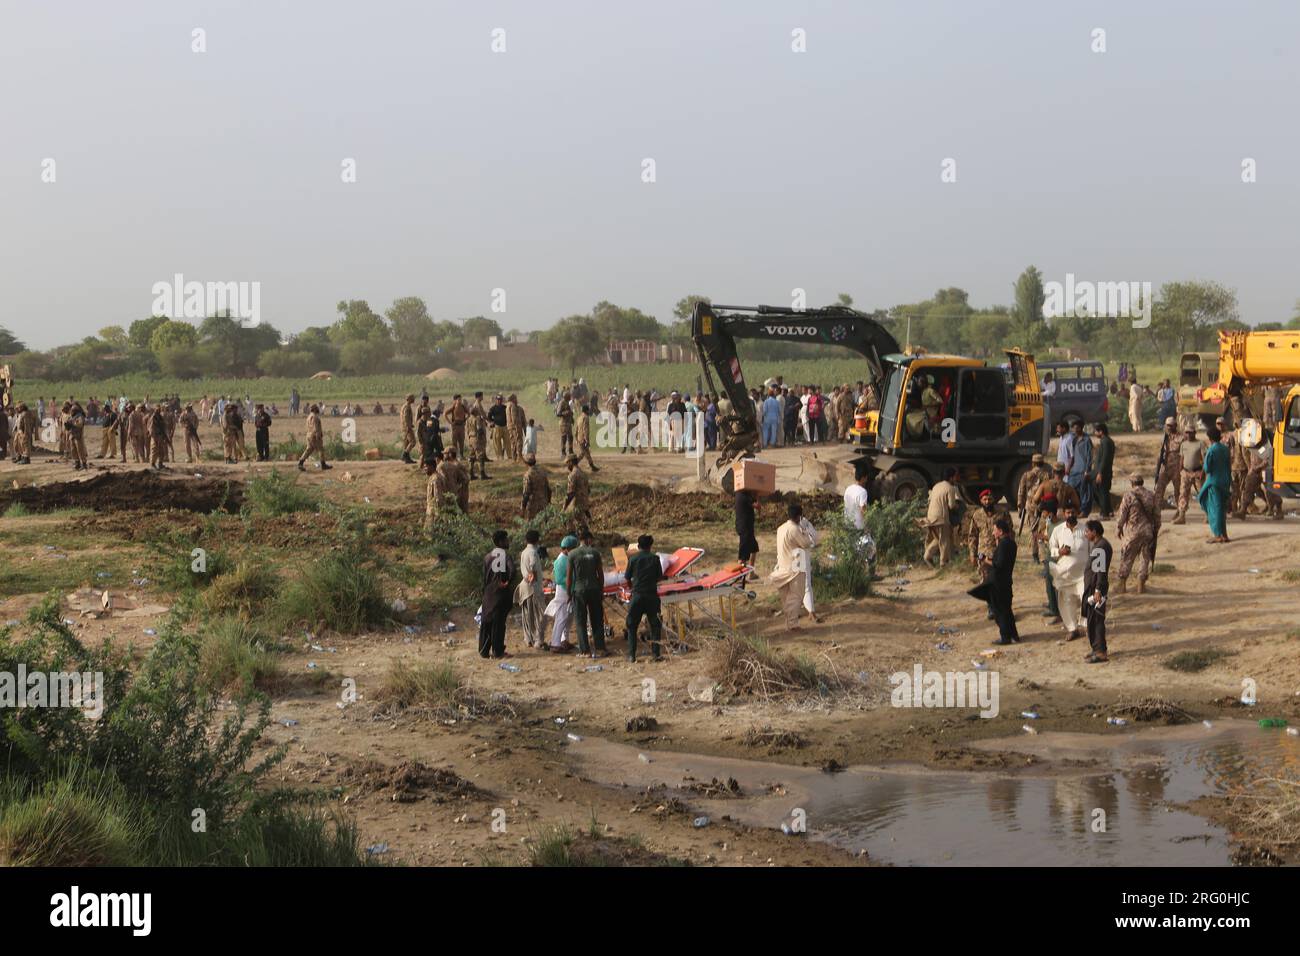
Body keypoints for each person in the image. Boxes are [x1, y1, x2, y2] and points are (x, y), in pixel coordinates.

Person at [768, 502, 815, 631]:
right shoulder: (794, 529)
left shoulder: (781, 528)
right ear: (799, 517)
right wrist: (805, 530)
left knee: (787, 596)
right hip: (795, 567)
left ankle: (789, 623)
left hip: (782, 566)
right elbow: (806, 543)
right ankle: (793, 625)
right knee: (796, 596)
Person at [1114, 473, 1159, 594]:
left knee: (1127, 557)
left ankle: (1122, 585)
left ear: (1132, 483)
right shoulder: (1151, 495)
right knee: (1145, 558)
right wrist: (1156, 529)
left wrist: (1118, 528)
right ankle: (1141, 586)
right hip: (1148, 531)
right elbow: (1157, 515)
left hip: (1133, 532)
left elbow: (1122, 513)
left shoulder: (1129, 495)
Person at [1048, 504, 1087, 640]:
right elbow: (1051, 551)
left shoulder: (1085, 529)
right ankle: (1072, 629)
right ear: (1064, 514)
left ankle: (1086, 626)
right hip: (1065, 574)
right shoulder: (1058, 530)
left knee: (1086, 599)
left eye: (1073, 512)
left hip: (1083, 574)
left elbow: (1093, 549)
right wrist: (1060, 551)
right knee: (1067, 601)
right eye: (1068, 513)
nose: (1070, 515)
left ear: (1077, 513)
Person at [623, 534, 664, 662]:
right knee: (655, 625)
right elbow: (659, 577)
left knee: (632, 625)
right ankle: (656, 654)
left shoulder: (633, 559)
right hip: (652, 596)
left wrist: (632, 588)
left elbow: (627, 577)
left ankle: (632, 655)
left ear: (639, 546)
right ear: (650, 546)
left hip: (637, 596)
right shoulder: (655, 559)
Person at [567, 529, 607, 658]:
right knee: (596, 619)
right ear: (588, 539)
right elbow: (600, 574)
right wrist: (601, 590)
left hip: (579, 591)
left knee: (580, 620)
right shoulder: (595, 553)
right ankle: (600, 648)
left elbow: (569, 577)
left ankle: (585, 650)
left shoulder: (572, 554)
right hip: (594, 589)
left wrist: (569, 593)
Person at [981, 517, 1020, 645]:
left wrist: (986, 560)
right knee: (1007, 610)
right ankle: (1014, 635)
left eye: (995, 531)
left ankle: (1005, 637)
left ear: (1001, 531)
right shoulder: (1011, 543)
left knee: (1000, 611)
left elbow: (998, 564)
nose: (993, 533)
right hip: (1006, 581)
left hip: (999, 583)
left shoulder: (1004, 544)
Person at [478, 529, 515, 659]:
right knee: (498, 624)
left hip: (488, 593)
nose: (508, 541)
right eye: (506, 539)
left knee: (486, 621)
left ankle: (483, 650)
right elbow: (512, 571)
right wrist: (507, 582)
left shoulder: (487, 557)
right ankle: (498, 651)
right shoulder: (506, 555)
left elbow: (484, 578)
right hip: (501, 593)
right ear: (500, 541)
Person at [1082, 519, 1112, 663]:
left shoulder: (1100, 547)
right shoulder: (1099, 545)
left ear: (1094, 532)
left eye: (1087, 531)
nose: (1085, 534)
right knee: (1092, 620)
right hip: (1093, 589)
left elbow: (1100, 571)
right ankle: (1096, 648)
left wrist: (1098, 590)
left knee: (1097, 620)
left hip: (1096, 590)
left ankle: (1100, 652)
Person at [543, 535, 577, 652]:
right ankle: (556, 643)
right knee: (561, 617)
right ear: (567, 549)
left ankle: (564, 640)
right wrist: (572, 582)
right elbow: (559, 579)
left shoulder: (566, 558)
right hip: (563, 590)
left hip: (568, 589)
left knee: (569, 617)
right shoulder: (561, 560)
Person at [1198, 426, 1231, 543]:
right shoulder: (1225, 449)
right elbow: (1229, 466)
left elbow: (1207, 468)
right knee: (1221, 508)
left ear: (1210, 438)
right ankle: (1224, 534)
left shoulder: (1212, 450)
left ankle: (1218, 535)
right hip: (1225, 481)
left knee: (1214, 508)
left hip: (1214, 482)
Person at [923, 467, 961, 567]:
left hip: (930, 517)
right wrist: (958, 506)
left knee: (937, 539)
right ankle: (944, 563)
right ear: (951, 477)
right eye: (955, 477)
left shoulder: (936, 486)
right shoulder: (950, 488)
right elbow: (951, 506)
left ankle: (927, 556)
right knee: (945, 540)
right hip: (941, 518)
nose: (956, 479)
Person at [515, 530, 546, 649]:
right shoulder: (533, 552)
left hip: (524, 586)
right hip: (533, 587)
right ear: (537, 540)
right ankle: (538, 641)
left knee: (528, 615)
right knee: (540, 615)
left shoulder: (524, 552)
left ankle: (528, 639)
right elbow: (533, 567)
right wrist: (534, 578)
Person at [1172, 424, 1204, 524]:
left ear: (1195, 433)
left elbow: (1205, 459)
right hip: (1185, 472)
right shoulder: (1183, 444)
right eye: (1187, 432)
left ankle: (1208, 515)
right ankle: (1182, 516)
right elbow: (1182, 458)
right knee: (1183, 494)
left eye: (1190, 432)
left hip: (1197, 472)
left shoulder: (1200, 443)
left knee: (1203, 494)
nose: (1188, 434)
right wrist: (1180, 470)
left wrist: (1203, 472)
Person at [1067, 420, 1093, 514]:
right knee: (1072, 491)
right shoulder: (1074, 439)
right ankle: (1075, 509)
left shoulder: (1086, 440)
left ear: (1081, 428)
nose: (1075, 429)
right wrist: (1069, 467)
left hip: (1082, 470)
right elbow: (1072, 455)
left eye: (1077, 427)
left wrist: (1087, 470)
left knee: (1084, 492)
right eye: (1074, 427)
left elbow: (1089, 456)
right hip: (1074, 470)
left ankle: (1084, 511)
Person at [1091, 422, 1115, 517]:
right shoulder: (1105, 441)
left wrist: (1100, 473)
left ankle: (1105, 512)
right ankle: (1108, 510)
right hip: (1101, 472)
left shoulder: (1106, 442)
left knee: (1102, 492)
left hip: (1103, 473)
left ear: (1101, 431)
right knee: (1100, 490)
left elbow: (1105, 458)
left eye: (1096, 431)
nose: (1095, 433)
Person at [297, 404, 330, 470]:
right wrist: (318, 436)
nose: (318, 410)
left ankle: (300, 463)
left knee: (309, 449)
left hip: (309, 435)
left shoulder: (309, 417)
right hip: (314, 436)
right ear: (315, 409)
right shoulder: (315, 417)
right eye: (317, 408)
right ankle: (323, 465)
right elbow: (316, 428)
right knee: (320, 449)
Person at [521, 454, 552, 519]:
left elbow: (526, 493)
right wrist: (548, 502)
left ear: (526, 463)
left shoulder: (528, 475)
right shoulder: (542, 472)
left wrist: (523, 508)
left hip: (533, 506)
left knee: (533, 527)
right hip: (544, 504)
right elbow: (549, 490)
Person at [735, 488, 759, 564]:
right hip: (745, 528)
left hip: (745, 526)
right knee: (743, 555)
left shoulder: (739, 494)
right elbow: (757, 506)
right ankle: (740, 574)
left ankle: (751, 573)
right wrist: (757, 495)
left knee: (754, 549)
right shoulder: (745, 496)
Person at [400, 394, 418, 464]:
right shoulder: (407, 407)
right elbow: (406, 418)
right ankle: (404, 455)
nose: (414, 400)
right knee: (413, 442)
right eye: (413, 398)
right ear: (409, 399)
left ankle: (407, 459)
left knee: (407, 443)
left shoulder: (404, 406)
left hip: (405, 427)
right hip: (407, 428)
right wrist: (408, 426)